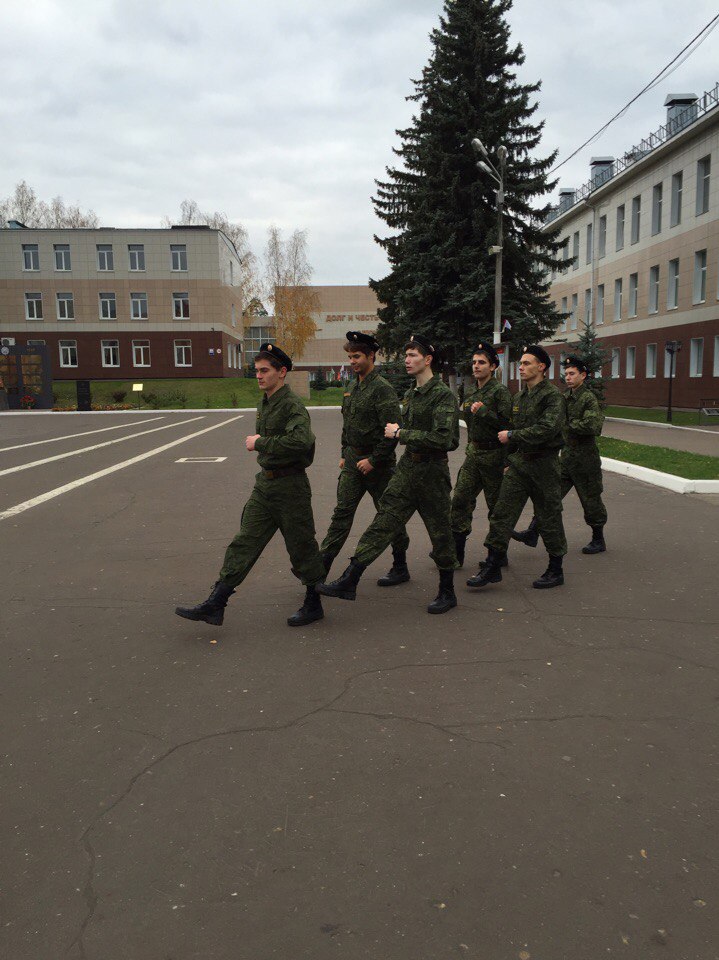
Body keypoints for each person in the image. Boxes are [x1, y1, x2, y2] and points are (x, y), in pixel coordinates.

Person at [175, 343, 327, 629]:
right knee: (244, 542)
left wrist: (260, 443)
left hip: (290, 487)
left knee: (302, 546)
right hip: (265, 486)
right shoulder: (265, 402)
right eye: (256, 370)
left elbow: (301, 442)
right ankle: (216, 603)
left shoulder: (292, 405)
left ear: (282, 373)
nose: (258, 376)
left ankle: (314, 603)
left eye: (264, 371)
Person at [317, 334, 460, 614]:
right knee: (383, 522)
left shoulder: (443, 394)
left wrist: (401, 433)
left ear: (428, 360)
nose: (407, 360)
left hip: (432, 472)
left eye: (413, 356)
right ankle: (351, 577)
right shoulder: (411, 393)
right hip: (408, 469)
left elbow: (446, 439)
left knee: (440, 532)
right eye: (406, 355)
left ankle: (447, 591)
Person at [466, 344, 567, 590]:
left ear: (541, 367)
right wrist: (507, 461)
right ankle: (492, 565)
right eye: (520, 363)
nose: (520, 367)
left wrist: (512, 435)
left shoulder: (552, 397)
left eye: (526, 363)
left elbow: (547, 429)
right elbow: (510, 431)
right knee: (502, 513)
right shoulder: (520, 397)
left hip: (544, 464)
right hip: (520, 464)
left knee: (549, 516)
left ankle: (555, 568)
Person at [320, 330, 411, 586]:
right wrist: (343, 453)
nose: (352, 362)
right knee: (342, 514)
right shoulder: (351, 387)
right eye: (350, 357)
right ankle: (320, 568)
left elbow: (392, 432)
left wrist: (373, 460)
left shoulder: (383, 389)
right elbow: (346, 425)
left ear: (371, 356)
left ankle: (400, 564)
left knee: (388, 516)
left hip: (378, 467)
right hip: (352, 462)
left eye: (357, 356)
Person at [513, 354, 607, 554]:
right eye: (566, 374)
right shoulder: (563, 398)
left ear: (583, 375)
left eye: (572, 374)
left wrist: (564, 426)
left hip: (585, 460)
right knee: (550, 497)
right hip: (566, 459)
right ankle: (532, 532)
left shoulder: (588, 398)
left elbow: (593, 425)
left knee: (591, 500)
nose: (568, 378)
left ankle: (598, 538)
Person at [450, 340, 512, 566]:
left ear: (493, 366)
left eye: (482, 362)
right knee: (460, 499)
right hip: (474, 454)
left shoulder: (500, 392)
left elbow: (509, 426)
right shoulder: (470, 390)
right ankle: (456, 552)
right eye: (474, 362)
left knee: (496, 507)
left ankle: (498, 554)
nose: (476, 366)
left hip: (495, 456)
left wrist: (485, 412)